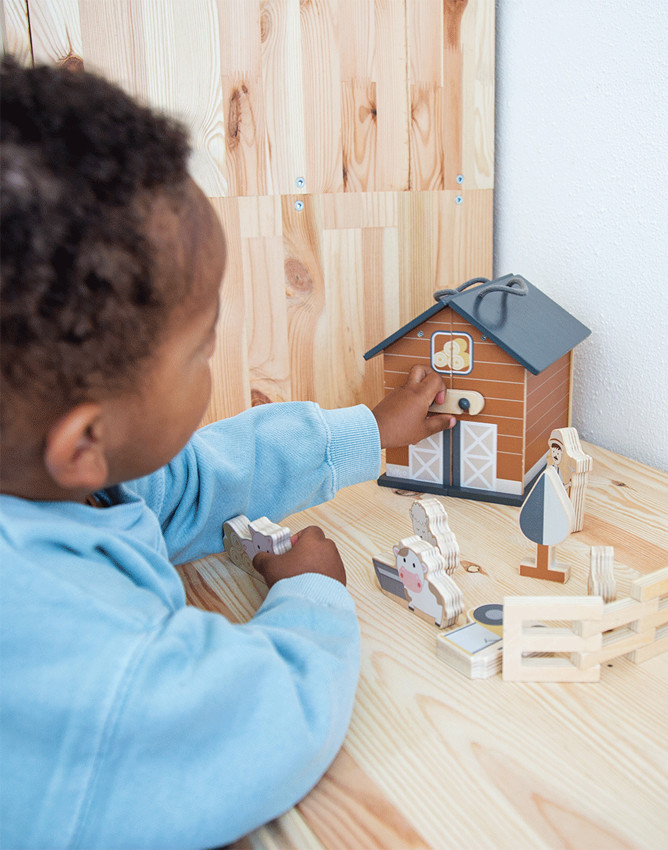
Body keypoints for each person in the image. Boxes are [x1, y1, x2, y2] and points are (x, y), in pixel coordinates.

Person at [0, 59, 455, 849]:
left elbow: (185, 481)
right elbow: (260, 724)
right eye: (203, 348)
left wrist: (367, 433)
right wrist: (312, 595)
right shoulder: (83, 659)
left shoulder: (51, 477)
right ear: (84, 443)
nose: (215, 363)